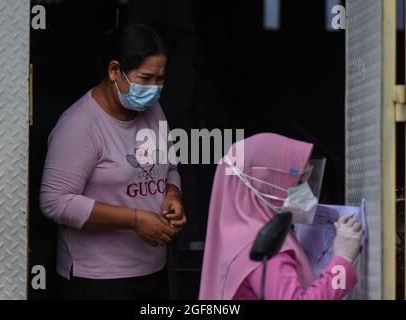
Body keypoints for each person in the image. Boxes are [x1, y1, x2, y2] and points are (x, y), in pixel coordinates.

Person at [39, 23, 186, 300]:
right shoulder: (80, 125)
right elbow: (55, 201)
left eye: (160, 79)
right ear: (114, 70)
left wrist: (172, 195)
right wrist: (134, 219)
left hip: (152, 270)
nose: (154, 89)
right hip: (99, 279)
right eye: (145, 78)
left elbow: (170, 169)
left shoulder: (153, 111)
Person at [199, 133, 363, 300]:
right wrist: (343, 260)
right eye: (298, 183)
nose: (306, 192)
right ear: (263, 185)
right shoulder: (265, 246)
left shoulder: (238, 234)